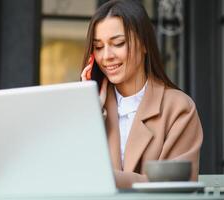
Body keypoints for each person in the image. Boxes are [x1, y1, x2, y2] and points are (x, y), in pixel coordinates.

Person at [80, 0, 203, 189]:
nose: (106, 56)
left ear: (144, 44)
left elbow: (174, 187)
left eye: (118, 43)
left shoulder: (179, 109)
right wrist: (89, 110)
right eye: (98, 47)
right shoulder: (93, 108)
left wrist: (107, 179)